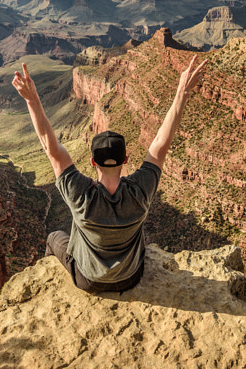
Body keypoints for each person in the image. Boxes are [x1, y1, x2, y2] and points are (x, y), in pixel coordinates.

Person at [11, 56, 208, 293]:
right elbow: (160, 144)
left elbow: (51, 149)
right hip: (130, 278)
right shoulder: (141, 190)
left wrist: (32, 100)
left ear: (92, 162)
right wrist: (181, 93)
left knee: (55, 237)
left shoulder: (80, 194)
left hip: (88, 280)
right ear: (126, 160)